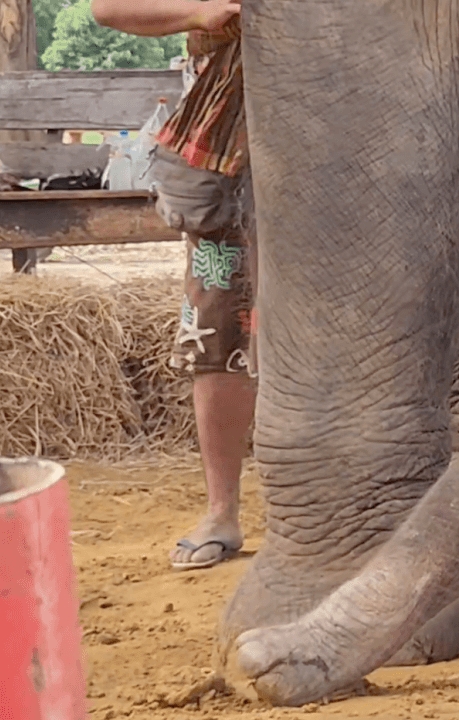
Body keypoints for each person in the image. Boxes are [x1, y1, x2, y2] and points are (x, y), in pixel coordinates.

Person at [91, 0, 254, 567]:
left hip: (343, 149)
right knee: (219, 333)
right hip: (227, 154)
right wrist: (203, 13)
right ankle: (222, 511)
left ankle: (344, 508)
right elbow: (109, 8)